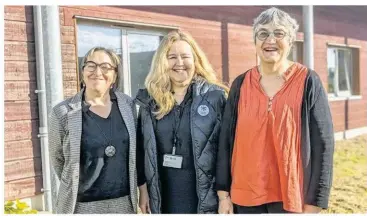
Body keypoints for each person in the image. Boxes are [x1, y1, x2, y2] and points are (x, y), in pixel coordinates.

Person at [216, 7, 335, 214]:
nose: (270, 40)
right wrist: (223, 195)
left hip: (292, 197)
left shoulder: (308, 81)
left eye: (279, 33)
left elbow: (323, 145)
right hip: (245, 197)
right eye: (263, 33)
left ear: (290, 41)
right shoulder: (241, 84)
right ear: (255, 42)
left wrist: (315, 203)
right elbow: (226, 141)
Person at [135, 30, 229, 214]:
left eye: (185, 56)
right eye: (172, 57)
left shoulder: (215, 97)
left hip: (205, 199)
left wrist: (225, 196)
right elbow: (141, 150)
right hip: (163, 198)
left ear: (195, 60)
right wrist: (143, 190)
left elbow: (227, 150)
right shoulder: (149, 102)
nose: (179, 63)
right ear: (162, 62)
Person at [48, 47, 148, 214]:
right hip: (81, 206)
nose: (97, 71)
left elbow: (137, 152)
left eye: (105, 67)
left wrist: (143, 190)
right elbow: (58, 160)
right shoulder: (62, 112)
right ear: (83, 72)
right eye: (91, 65)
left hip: (123, 203)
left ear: (115, 75)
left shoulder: (128, 105)